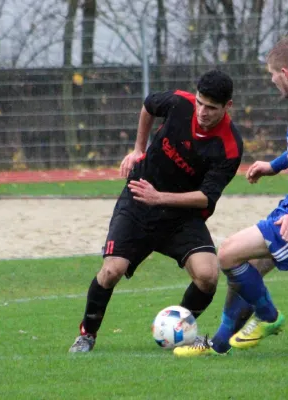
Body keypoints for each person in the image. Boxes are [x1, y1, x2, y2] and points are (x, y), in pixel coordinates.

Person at [173, 37, 288, 357]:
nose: (271, 81)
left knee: (227, 255)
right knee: (246, 265)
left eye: (271, 75)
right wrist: (274, 166)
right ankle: (219, 344)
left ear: (284, 72)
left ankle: (269, 316)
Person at [69, 69, 244, 352]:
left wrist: (160, 198)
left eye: (211, 108)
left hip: (180, 216)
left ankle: (178, 332)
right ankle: (87, 334)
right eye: (200, 102)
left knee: (208, 275)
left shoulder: (230, 147)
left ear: (228, 107)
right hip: (139, 198)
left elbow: (205, 197)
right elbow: (149, 105)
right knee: (112, 270)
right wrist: (139, 148)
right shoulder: (179, 103)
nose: (202, 111)